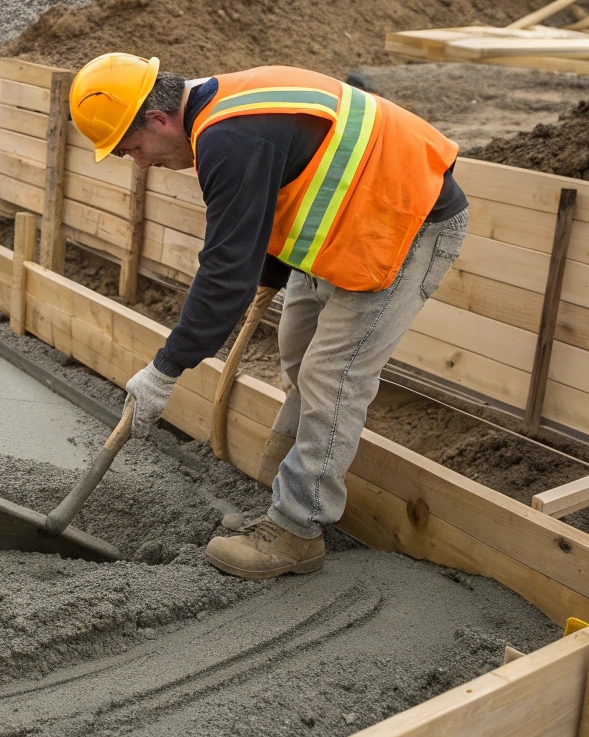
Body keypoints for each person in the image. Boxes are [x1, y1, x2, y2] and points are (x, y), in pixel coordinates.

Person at [69, 55, 468, 580]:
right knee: (298, 357)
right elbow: (291, 177)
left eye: (133, 149)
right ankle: (279, 501)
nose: (141, 164)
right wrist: (271, 273)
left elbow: (223, 274)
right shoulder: (222, 110)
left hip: (405, 225)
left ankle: (296, 531)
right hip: (352, 220)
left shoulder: (228, 139)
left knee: (333, 378)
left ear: (158, 119)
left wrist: (165, 370)